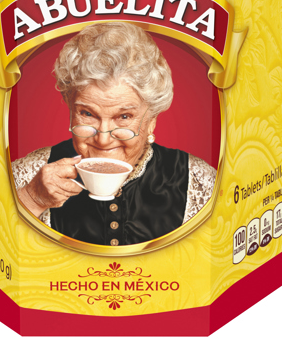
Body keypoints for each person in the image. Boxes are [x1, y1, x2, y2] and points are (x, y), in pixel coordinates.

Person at [12, 22, 216, 246]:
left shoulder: (200, 182)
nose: (103, 139)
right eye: (87, 114)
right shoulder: (27, 175)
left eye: (124, 116)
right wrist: (32, 199)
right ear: (70, 109)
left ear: (152, 121)